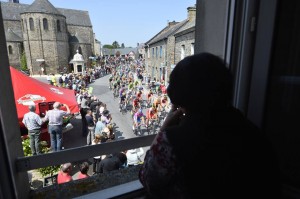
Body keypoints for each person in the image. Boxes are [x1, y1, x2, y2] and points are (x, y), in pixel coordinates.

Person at [139, 53, 281, 199]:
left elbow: (148, 179)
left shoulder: (171, 141)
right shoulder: (251, 132)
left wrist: (164, 129)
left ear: (179, 96)